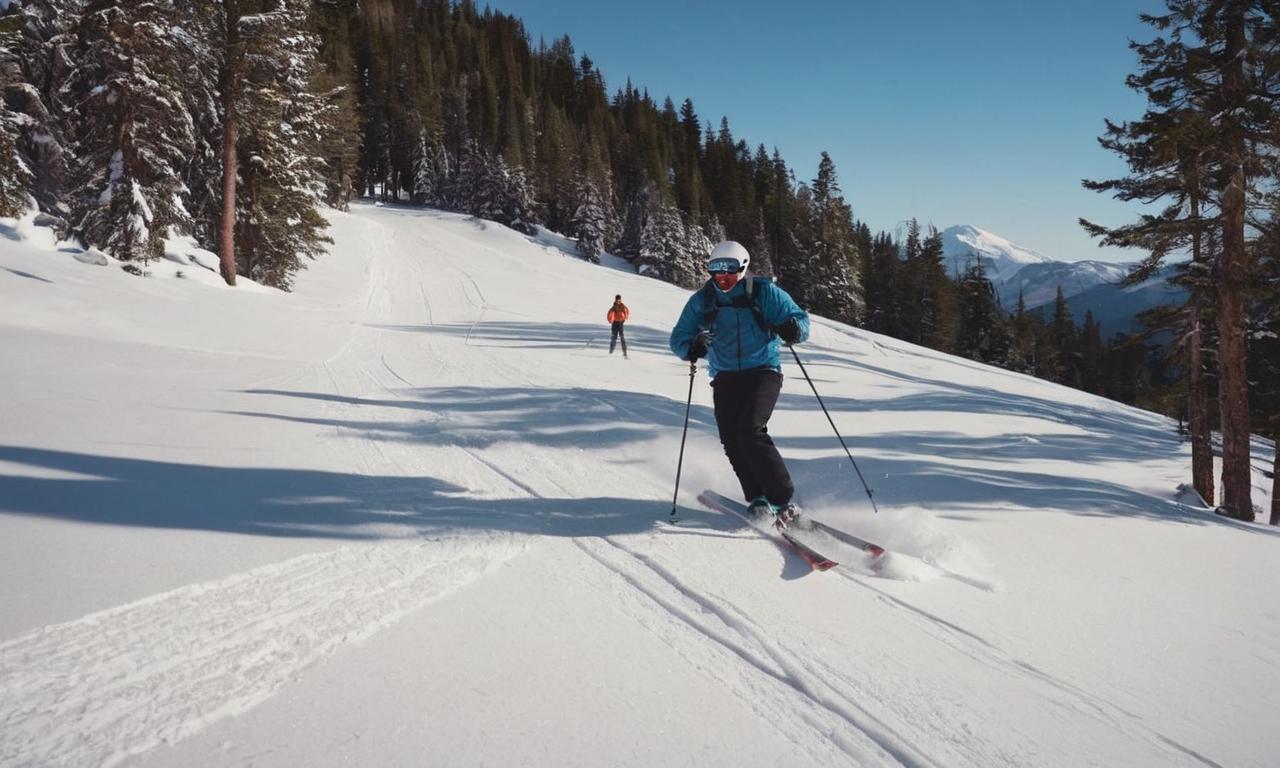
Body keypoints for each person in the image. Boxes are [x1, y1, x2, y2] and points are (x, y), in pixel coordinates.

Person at [669, 241, 810, 527]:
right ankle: (757, 497)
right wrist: (691, 346)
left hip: (764, 370)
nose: (722, 277)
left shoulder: (763, 292)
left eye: (729, 270)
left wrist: (792, 329)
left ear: (743, 268)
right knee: (731, 439)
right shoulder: (703, 300)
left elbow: (800, 320)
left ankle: (783, 500)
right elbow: (679, 337)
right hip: (725, 375)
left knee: (750, 430)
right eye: (715, 270)